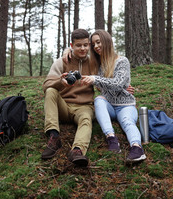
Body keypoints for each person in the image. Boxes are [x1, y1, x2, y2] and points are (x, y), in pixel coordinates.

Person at [80, 29, 146, 163]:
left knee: (128, 122)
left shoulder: (122, 61)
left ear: (107, 41)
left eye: (98, 42)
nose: (96, 46)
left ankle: (137, 148)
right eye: (93, 44)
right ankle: (112, 139)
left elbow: (117, 84)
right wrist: (66, 53)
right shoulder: (97, 64)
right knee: (99, 99)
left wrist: (96, 79)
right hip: (108, 105)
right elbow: (79, 55)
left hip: (125, 105)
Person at [41, 28, 94, 167]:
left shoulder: (94, 62)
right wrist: (60, 82)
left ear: (89, 44)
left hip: (84, 107)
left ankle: (77, 151)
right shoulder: (61, 62)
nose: (82, 48)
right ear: (71, 46)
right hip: (63, 106)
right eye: (78, 45)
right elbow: (46, 85)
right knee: (51, 91)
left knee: (86, 119)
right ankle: (54, 137)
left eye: (85, 45)